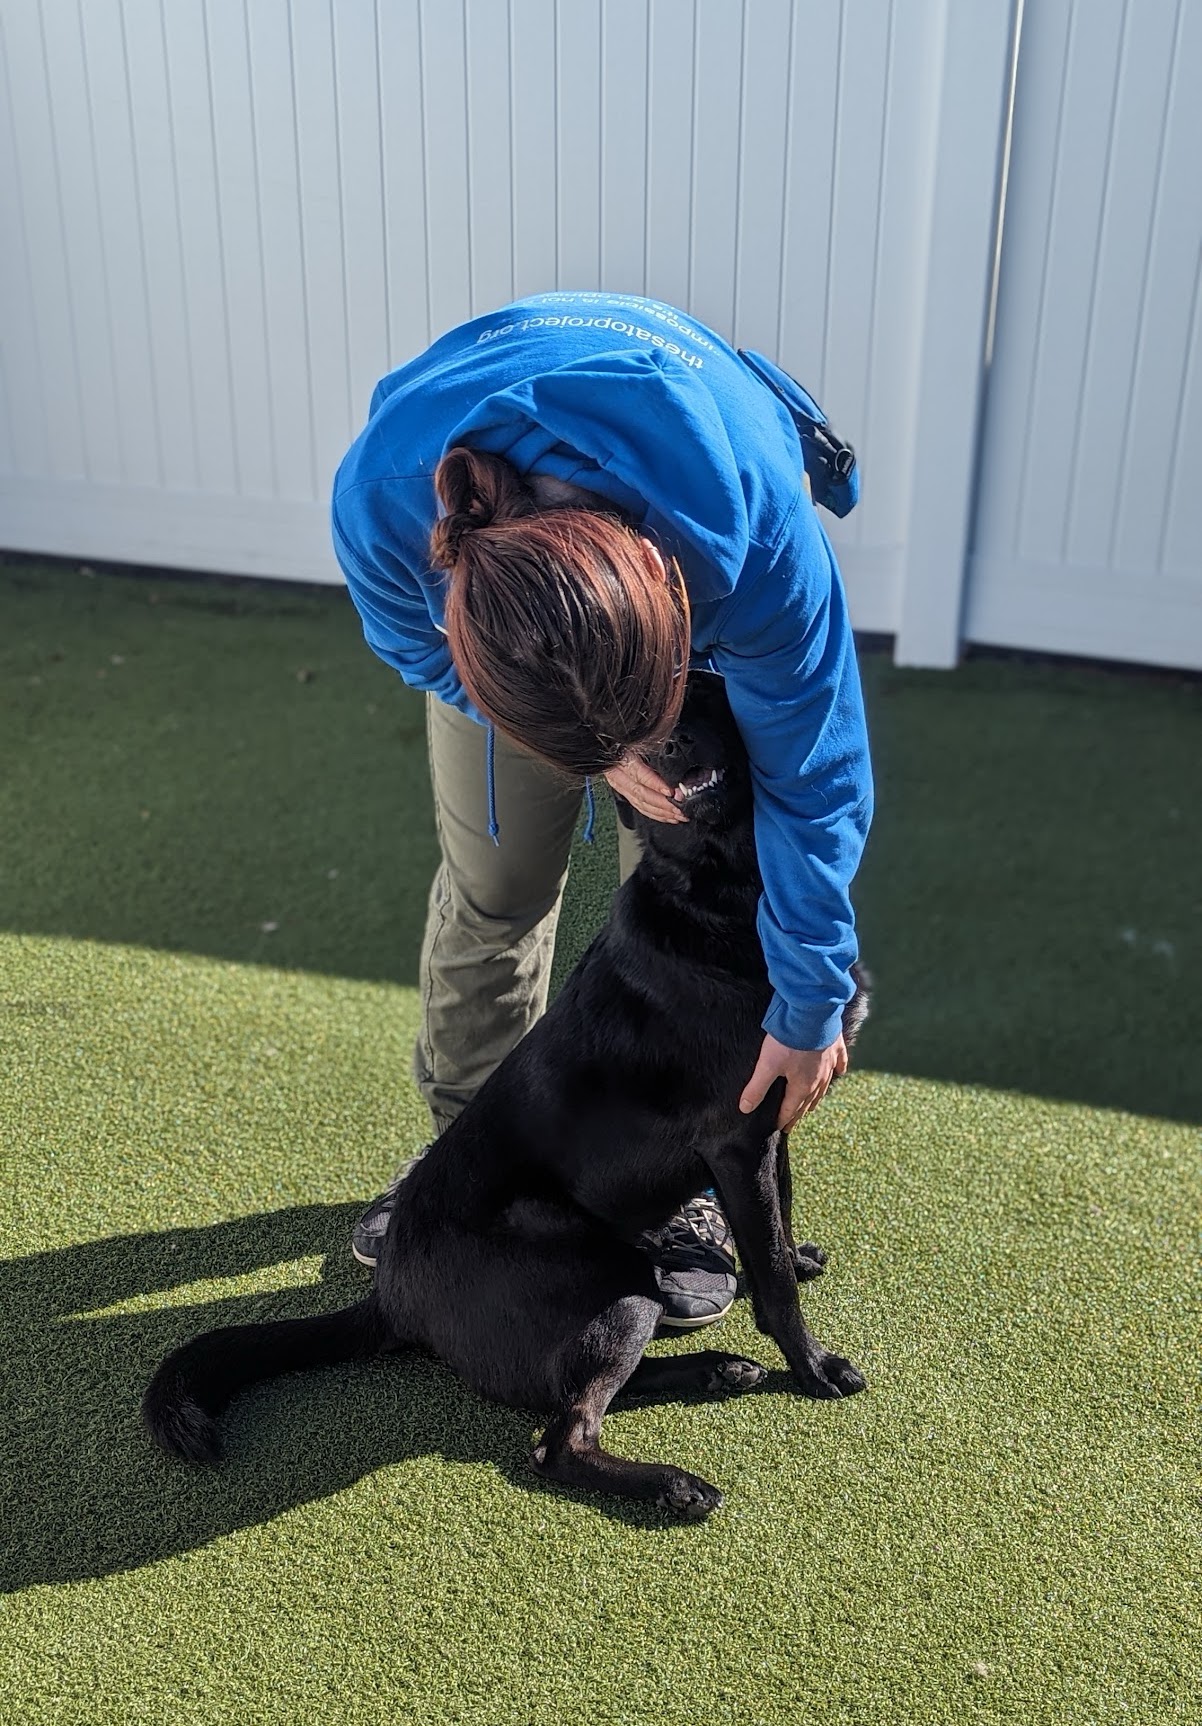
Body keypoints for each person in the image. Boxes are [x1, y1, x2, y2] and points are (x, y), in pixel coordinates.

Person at [329, 290, 873, 1330]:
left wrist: (806, 1004)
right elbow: (410, 643)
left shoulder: (751, 542)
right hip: (504, 615)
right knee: (497, 882)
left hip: (690, 526)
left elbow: (815, 781)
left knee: (688, 877)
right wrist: (584, 746)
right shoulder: (384, 504)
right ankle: (470, 1160)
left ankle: (692, 1188)